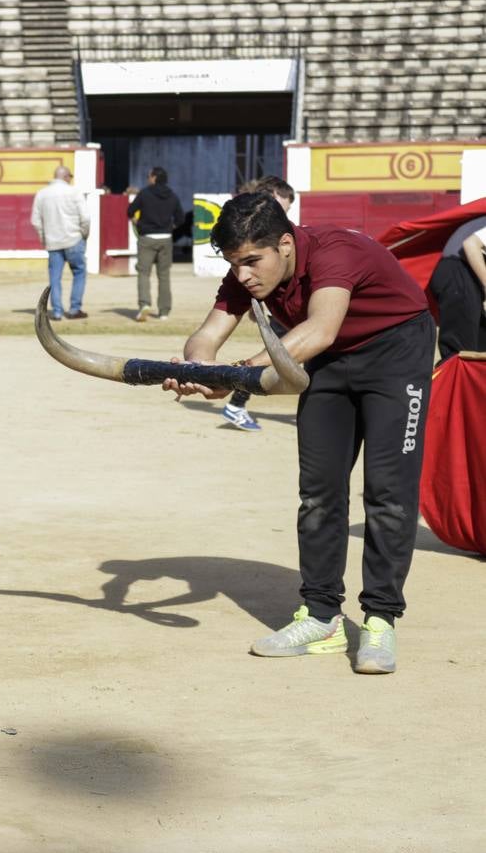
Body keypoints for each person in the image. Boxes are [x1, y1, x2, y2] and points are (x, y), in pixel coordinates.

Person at [164, 193, 433, 674]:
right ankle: (322, 618)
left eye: (252, 261)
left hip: (395, 354)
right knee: (319, 493)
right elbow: (207, 335)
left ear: (285, 244)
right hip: (327, 364)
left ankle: (380, 620)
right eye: (233, 263)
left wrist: (235, 374)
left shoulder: (334, 251)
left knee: (388, 494)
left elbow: (322, 329)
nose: (244, 275)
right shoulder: (246, 273)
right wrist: (197, 368)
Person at [221, 175, 297, 431]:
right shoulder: (255, 237)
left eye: (286, 211)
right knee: (281, 355)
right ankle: (236, 403)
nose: (283, 216)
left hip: (294, 309)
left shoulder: (282, 235)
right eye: (281, 207)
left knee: (292, 356)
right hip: (284, 311)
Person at [31, 165, 90, 320]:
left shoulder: (42, 194)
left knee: (54, 278)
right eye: (70, 176)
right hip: (74, 239)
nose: (71, 179)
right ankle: (74, 309)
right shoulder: (74, 192)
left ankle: (57, 311)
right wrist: (84, 235)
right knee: (79, 272)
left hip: (53, 242)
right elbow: (85, 218)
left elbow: (35, 221)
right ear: (65, 177)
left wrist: (44, 238)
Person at [127, 166, 183, 322]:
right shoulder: (172, 195)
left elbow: (130, 210)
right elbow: (180, 219)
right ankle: (164, 311)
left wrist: (135, 220)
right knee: (164, 275)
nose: (147, 179)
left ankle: (144, 303)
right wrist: (170, 227)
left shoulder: (144, 193)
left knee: (144, 273)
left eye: (148, 176)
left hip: (147, 238)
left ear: (153, 178)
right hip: (165, 238)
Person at [427, 220, 486, 362]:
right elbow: (470, 245)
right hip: (458, 274)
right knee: (461, 354)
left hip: (462, 279)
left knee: (479, 352)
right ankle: (450, 383)